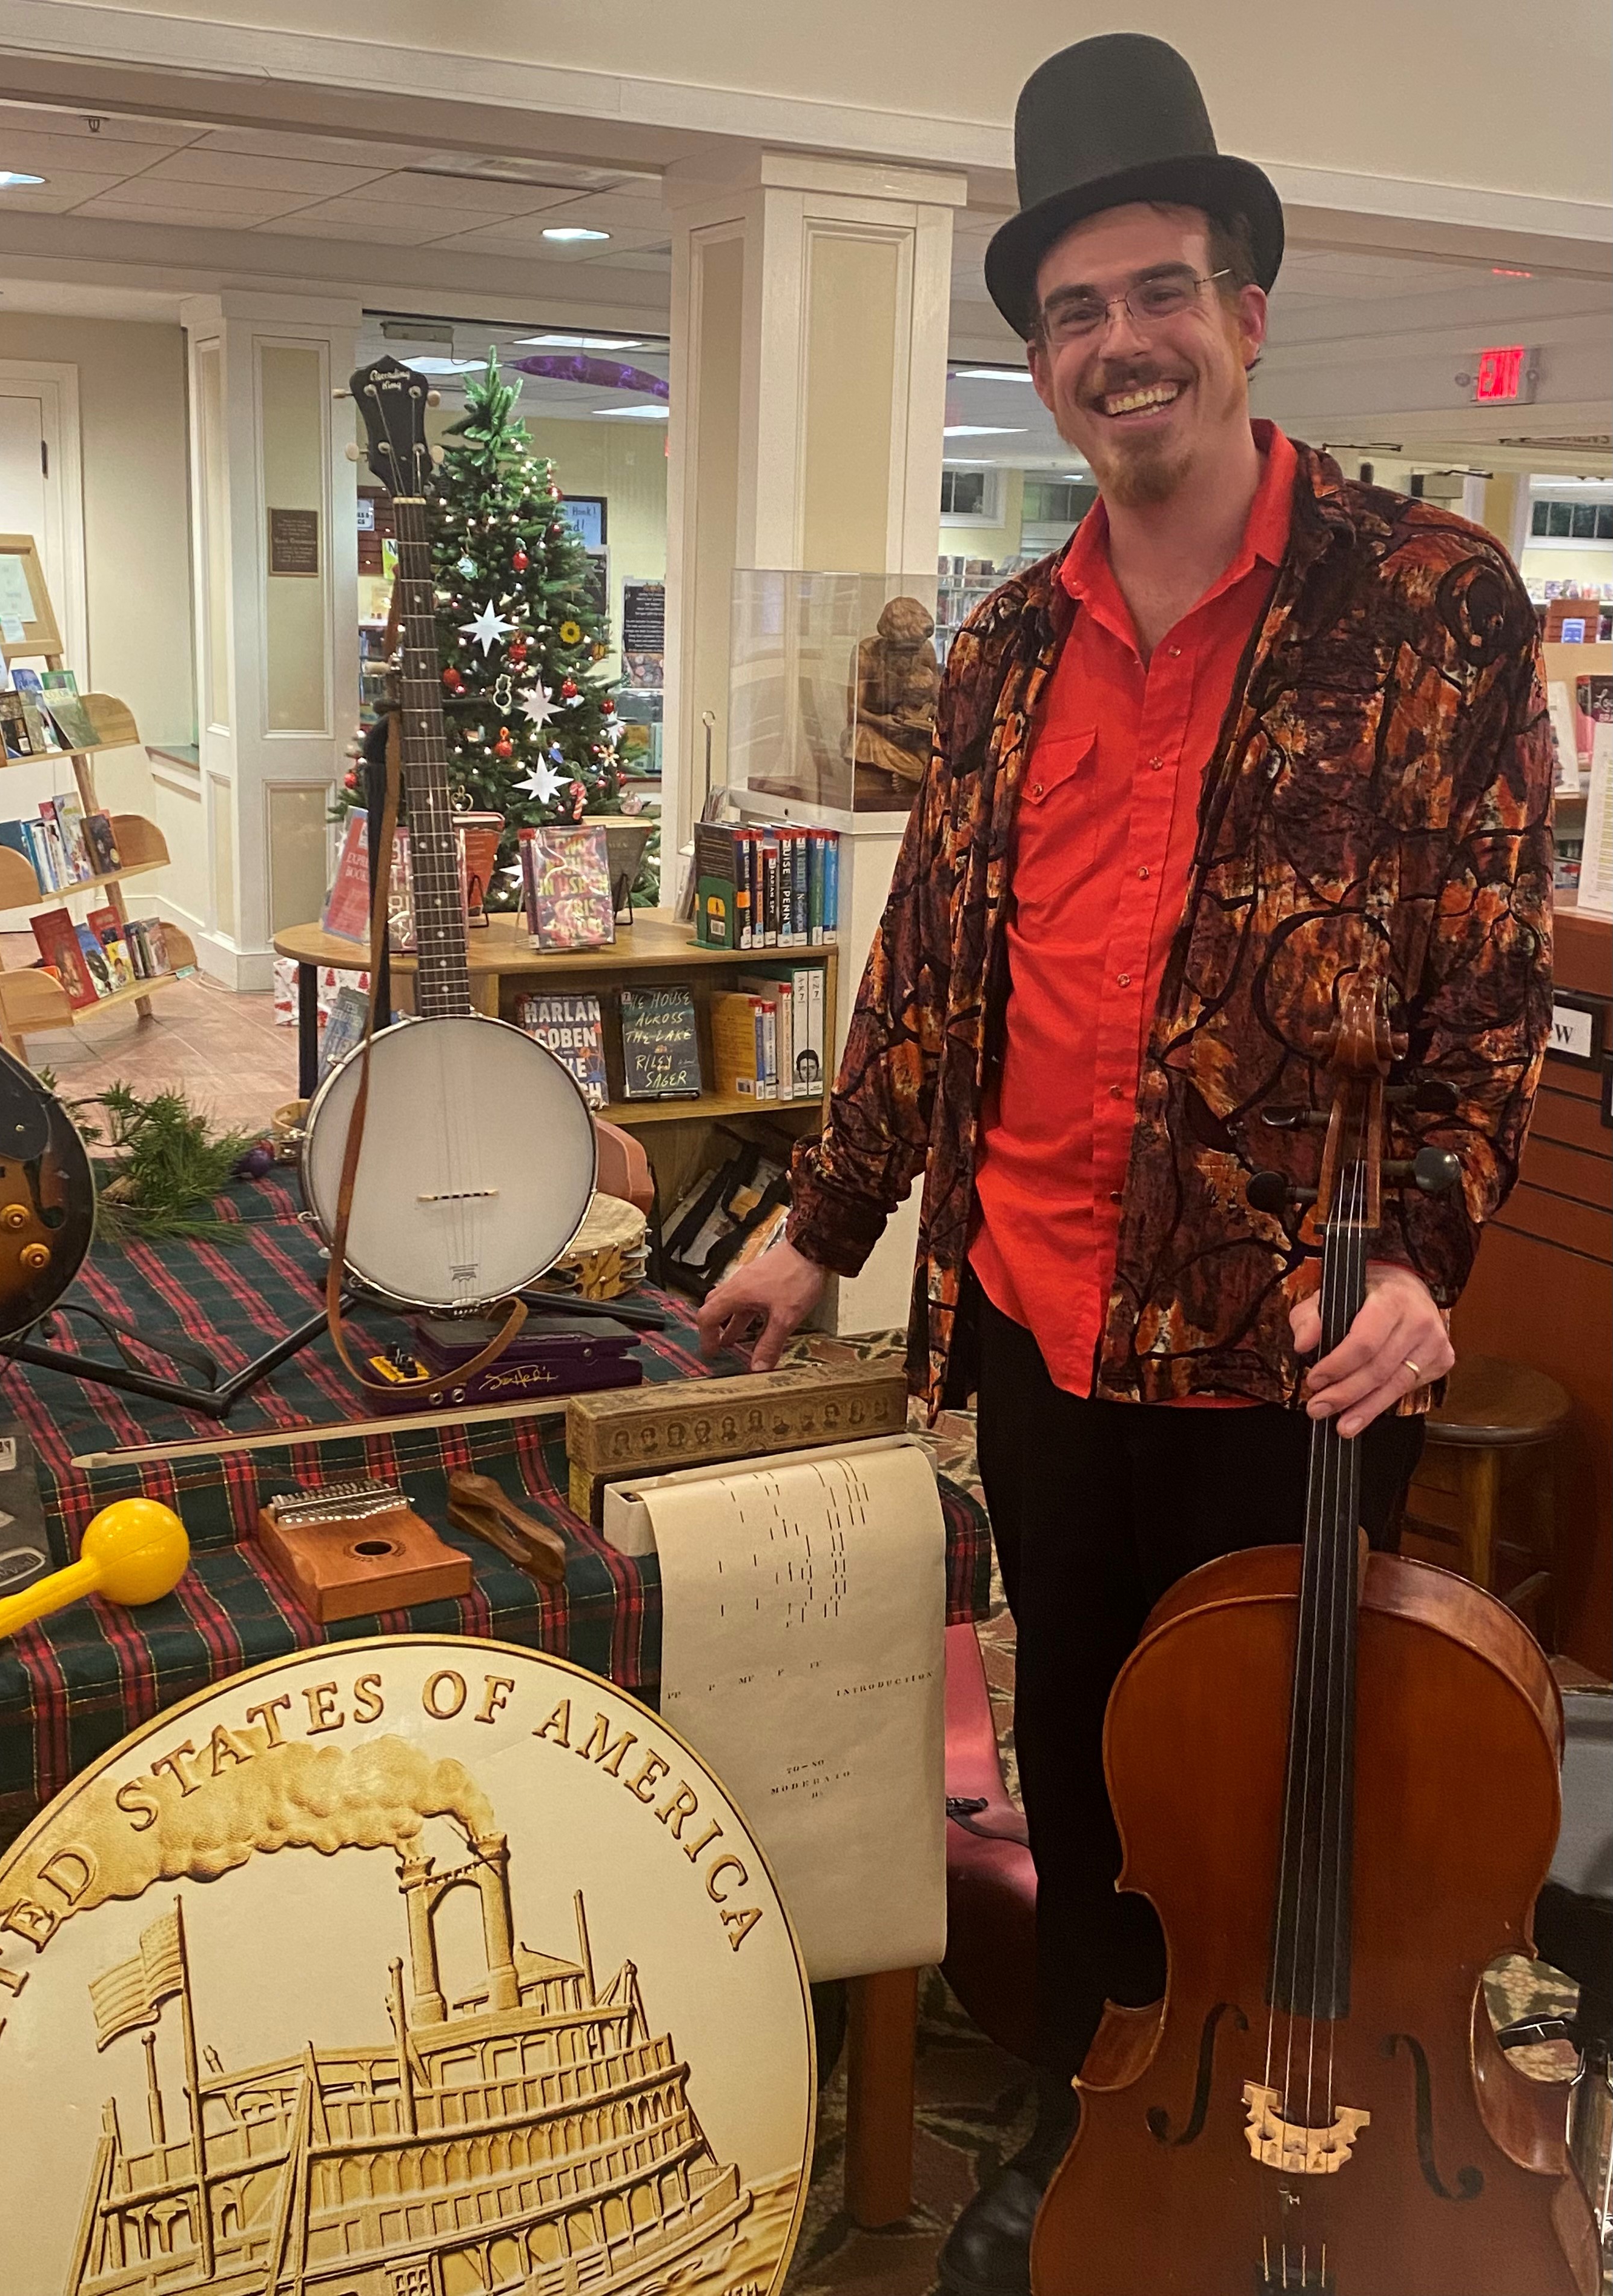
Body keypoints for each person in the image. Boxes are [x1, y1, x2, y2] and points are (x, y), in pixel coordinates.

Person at [697, 31, 1554, 2294]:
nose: (1116, 344)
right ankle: (1092, 2131)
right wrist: (820, 1224)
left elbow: (1483, 1004)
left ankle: (1315, 2164)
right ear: (1046, 361)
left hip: (1290, 1353)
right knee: (1080, 1775)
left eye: (1154, 290)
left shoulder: (1434, 607)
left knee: (1290, 1802)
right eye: (1070, 314)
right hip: (1043, 1325)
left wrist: (1428, 1256)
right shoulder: (995, 649)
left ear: (1246, 306)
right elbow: (928, 984)